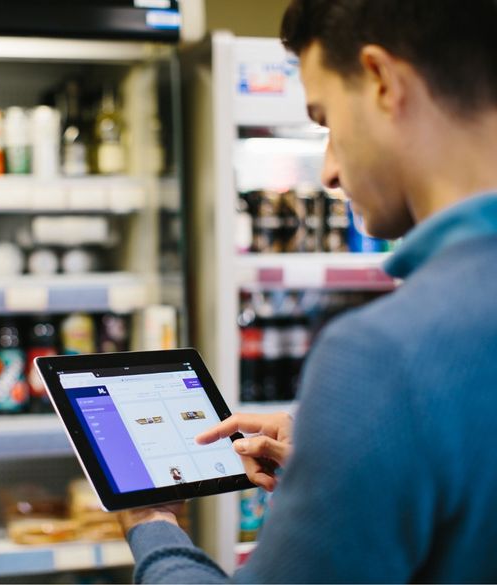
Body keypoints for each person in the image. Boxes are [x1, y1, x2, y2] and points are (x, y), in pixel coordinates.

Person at [119, 0, 497, 582]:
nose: (328, 172)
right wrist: (350, 461)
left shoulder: (384, 357)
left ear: (381, 82)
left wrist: (156, 526)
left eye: (326, 122)